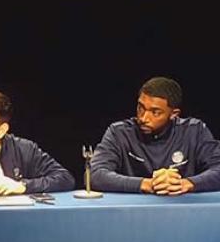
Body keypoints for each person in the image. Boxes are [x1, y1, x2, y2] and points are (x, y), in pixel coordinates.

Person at [91, 76, 220, 195]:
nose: (143, 118)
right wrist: (147, 184)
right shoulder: (119, 132)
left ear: (174, 114)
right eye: (141, 108)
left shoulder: (194, 131)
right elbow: (95, 174)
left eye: (155, 112)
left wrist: (187, 184)